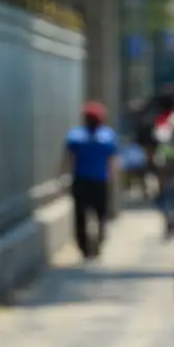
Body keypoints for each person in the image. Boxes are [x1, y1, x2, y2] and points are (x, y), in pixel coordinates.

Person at [62, 101, 120, 260]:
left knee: (82, 215)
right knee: (99, 214)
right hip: (99, 181)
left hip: (83, 181)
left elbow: (67, 159)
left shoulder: (76, 136)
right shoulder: (107, 136)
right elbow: (113, 161)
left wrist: (63, 177)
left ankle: (86, 246)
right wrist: (114, 181)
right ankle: (96, 241)